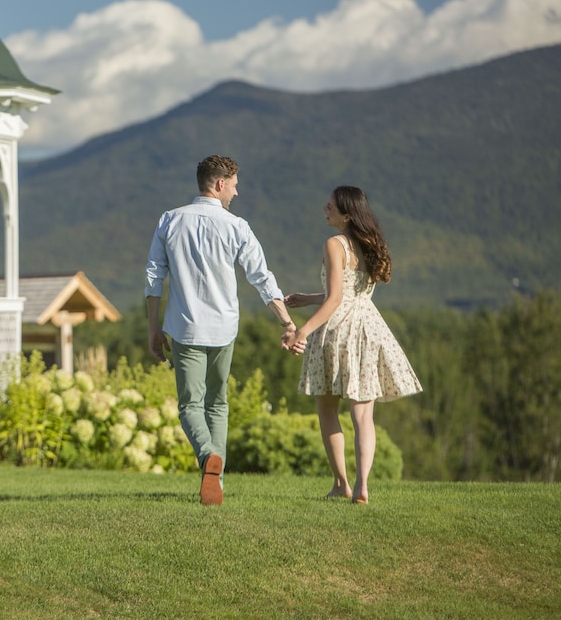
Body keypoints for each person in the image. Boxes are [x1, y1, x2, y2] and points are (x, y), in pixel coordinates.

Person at [145, 155, 296, 506]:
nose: (236, 192)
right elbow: (262, 278)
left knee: (190, 405)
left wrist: (153, 327)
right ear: (219, 184)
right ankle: (218, 480)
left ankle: (207, 456)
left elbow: (154, 278)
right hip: (224, 329)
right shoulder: (237, 226)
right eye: (235, 185)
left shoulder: (169, 220)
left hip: (185, 328)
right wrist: (287, 322)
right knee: (218, 404)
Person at [284, 186, 422, 505]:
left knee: (327, 408)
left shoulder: (334, 244)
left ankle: (341, 483)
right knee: (362, 415)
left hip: (339, 330)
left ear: (346, 215)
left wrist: (301, 332)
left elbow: (335, 300)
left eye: (330, 207)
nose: (324, 209)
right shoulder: (370, 243)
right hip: (369, 329)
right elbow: (350, 294)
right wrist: (309, 298)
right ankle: (362, 487)